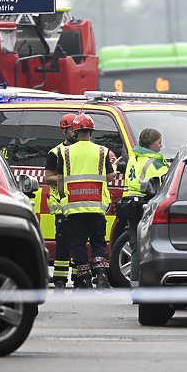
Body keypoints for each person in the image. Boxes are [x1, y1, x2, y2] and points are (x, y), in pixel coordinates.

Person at [57, 114, 120, 290]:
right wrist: (114, 168)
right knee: (98, 243)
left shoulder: (65, 152)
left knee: (78, 244)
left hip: (74, 207)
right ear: (91, 131)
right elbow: (108, 177)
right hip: (96, 206)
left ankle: (84, 280)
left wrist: (63, 197)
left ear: (75, 132)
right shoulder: (102, 151)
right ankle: (101, 278)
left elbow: (60, 180)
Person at [123, 128, 168, 288]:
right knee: (151, 249)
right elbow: (168, 181)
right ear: (150, 144)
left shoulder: (133, 157)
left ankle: (135, 288)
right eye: (159, 142)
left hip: (130, 204)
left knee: (135, 248)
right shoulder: (155, 160)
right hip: (146, 206)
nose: (161, 146)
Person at [45, 113, 77, 291]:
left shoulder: (85, 152)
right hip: (62, 206)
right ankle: (60, 280)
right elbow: (48, 177)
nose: (75, 132)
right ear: (64, 130)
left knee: (79, 243)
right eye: (72, 129)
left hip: (81, 203)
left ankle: (80, 278)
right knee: (63, 244)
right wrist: (64, 178)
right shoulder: (55, 153)